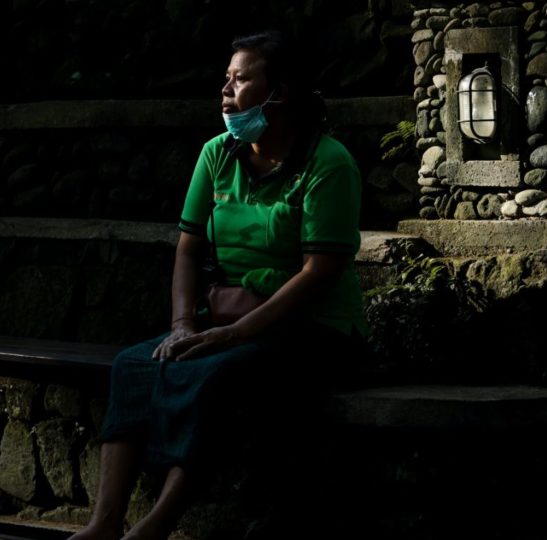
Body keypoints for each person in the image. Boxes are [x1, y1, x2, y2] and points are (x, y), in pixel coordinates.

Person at [69, 30, 368, 540]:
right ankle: (103, 523)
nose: (226, 90)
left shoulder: (328, 163)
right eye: (226, 79)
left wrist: (233, 335)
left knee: (218, 374)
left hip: (313, 327)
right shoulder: (216, 154)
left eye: (242, 78)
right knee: (137, 364)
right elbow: (188, 247)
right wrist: (182, 324)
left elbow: (319, 273)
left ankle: (154, 527)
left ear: (281, 92)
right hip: (229, 317)